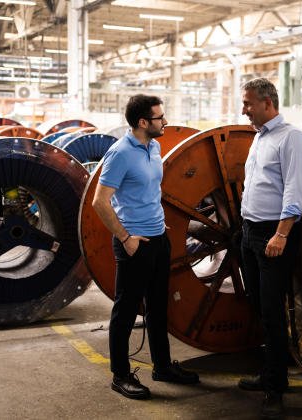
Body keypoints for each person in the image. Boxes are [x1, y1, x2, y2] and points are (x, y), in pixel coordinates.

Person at [92, 94, 199, 400]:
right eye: (159, 118)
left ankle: (162, 367)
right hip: (134, 245)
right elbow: (100, 201)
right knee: (125, 311)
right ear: (142, 122)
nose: (164, 121)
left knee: (158, 307)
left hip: (158, 238)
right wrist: (126, 238)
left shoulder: (154, 147)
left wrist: (157, 221)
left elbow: (151, 191)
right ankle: (121, 375)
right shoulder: (120, 153)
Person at [238, 78, 302, 418]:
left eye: (248, 104)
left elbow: (294, 193)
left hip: (273, 235)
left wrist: (281, 235)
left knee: (272, 311)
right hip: (250, 232)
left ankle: (276, 387)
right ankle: (268, 373)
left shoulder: (291, 138)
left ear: (268, 103)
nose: (244, 109)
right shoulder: (260, 137)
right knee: (257, 304)